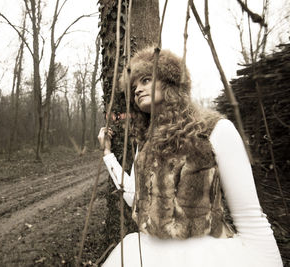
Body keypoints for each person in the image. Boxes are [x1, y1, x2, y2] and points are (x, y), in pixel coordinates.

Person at [98, 47, 283, 267]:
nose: (137, 90)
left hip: (205, 257)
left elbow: (250, 217)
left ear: (170, 82)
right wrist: (108, 155)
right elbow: (136, 200)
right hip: (147, 256)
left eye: (146, 80)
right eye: (133, 86)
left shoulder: (215, 130)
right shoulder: (146, 144)